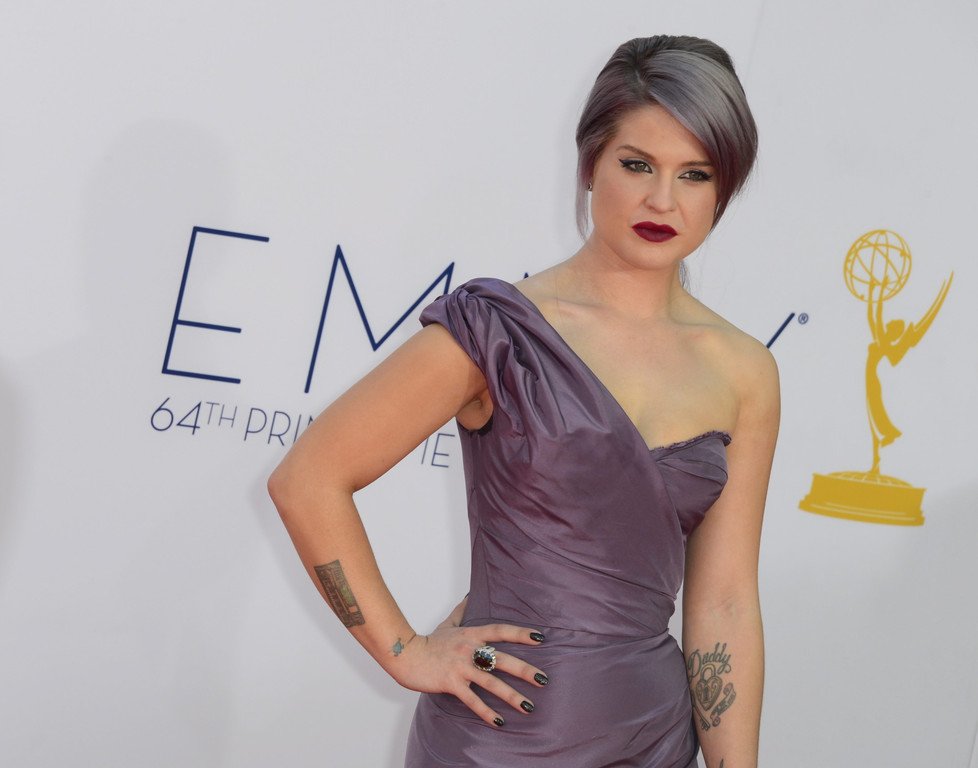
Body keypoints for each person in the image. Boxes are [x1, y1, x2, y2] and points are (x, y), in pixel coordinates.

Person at [268, 34, 779, 768]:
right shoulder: (497, 332)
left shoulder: (744, 371)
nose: (662, 200)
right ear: (590, 164)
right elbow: (308, 479)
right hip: (497, 738)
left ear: (722, 191)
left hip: (652, 738)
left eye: (694, 175)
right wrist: (405, 651)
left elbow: (723, 603)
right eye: (637, 164)